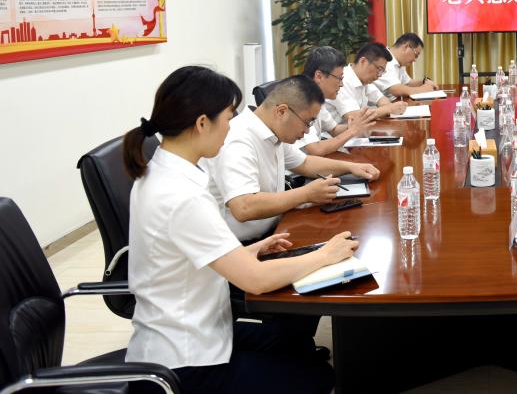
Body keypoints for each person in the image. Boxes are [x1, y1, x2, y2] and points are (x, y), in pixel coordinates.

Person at [124, 65, 354, 392]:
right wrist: (326, 255)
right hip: (184, 361)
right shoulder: (181, 195)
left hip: (202, 330)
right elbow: (255, 280)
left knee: (298, 347)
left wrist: (249, 250)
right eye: (228, 118)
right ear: (202, 123)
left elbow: (187, 253)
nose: (231, 127)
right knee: (319, 378)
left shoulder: (163, 172)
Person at [206, 74, 380, 244]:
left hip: (275, 230)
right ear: (282, 111)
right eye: (308, 122)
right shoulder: (238, 139)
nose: (307, 131)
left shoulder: (272, 131)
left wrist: (351, 167)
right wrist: (306, 194)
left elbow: (305, 163)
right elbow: (243, 207)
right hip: (243, 247)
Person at [300, 45, 376, 157]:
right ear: (319, 76)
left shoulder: (316, 97)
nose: (341, 84)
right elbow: (316, 149)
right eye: (339, 78)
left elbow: (334, 129)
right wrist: (352, 131)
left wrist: (354, 125)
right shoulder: (301, 100)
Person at [329, 42, 409, 121]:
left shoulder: (364, 80)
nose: (380, 75)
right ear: (363, 61)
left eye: (382, 71)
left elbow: (382, 99)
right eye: (379, 69)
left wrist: (389, 107)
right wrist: (388, 109)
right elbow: (353, 117)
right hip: (340, 129)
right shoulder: (343, 79)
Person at [374, 32, 438, 100]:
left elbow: (407, 83)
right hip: (381, 105)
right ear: (406, 47)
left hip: (394, 102)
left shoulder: (399, 62)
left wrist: (424, 82)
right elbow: (396, 89)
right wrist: (423, 89)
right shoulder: (384, 59)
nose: (415, 60)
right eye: (416, 55)